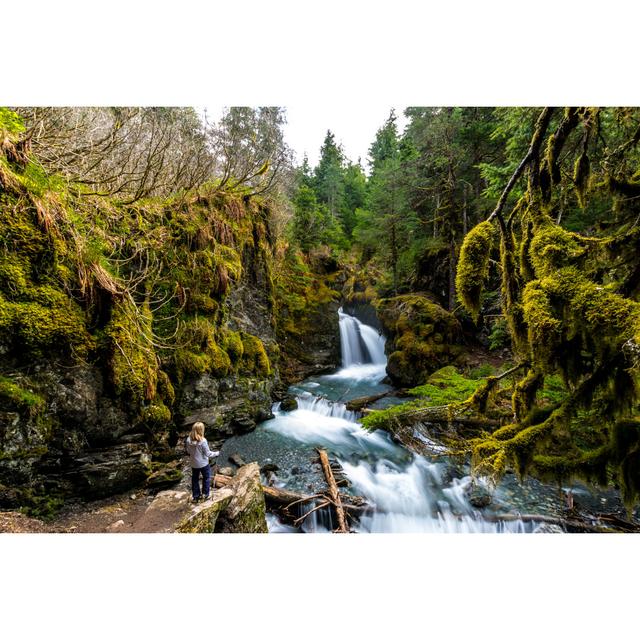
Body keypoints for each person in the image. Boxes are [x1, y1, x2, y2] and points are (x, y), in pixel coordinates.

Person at [185, 422, 219, 502]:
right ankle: (205, 494)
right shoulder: (203, 441)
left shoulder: (188, 439)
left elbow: (188, 451)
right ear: (201, 430)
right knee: (206, 478)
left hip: (194, 464)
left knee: (195, 479)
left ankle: (196, 496)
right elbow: (208, 454)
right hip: (203, 464)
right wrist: (217, 453)